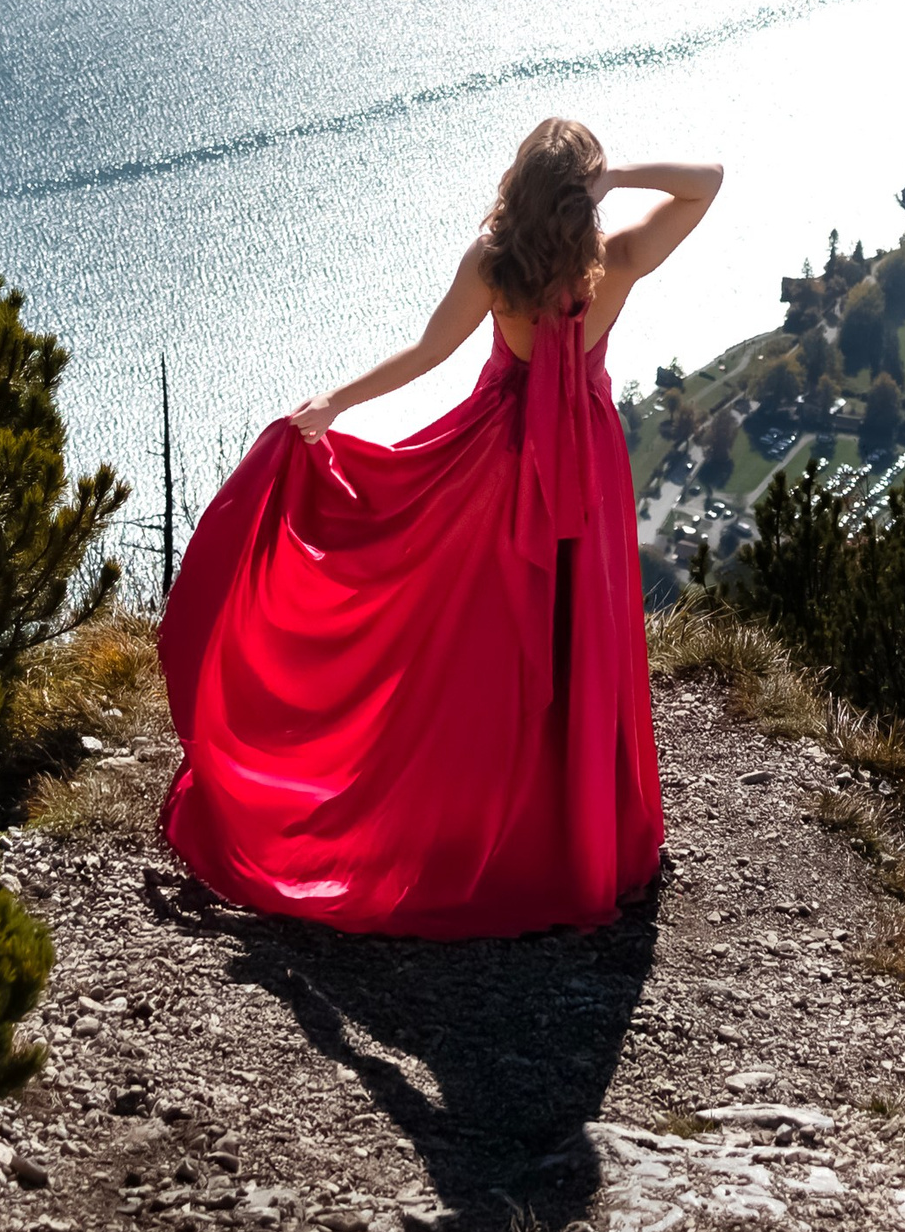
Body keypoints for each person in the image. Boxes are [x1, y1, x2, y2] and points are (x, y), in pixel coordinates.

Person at [157, 121, 722, 938]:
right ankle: (578, 834)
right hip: (589, 466)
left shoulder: (494, 264)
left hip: (503, 463)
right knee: (581, 635)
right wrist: (615, 175)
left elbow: (425, 354)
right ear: (582, 194)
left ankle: (488, 815)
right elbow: (708, 176)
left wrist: (335, 404)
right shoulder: (618, 263)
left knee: (492, 641)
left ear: (520, 183)